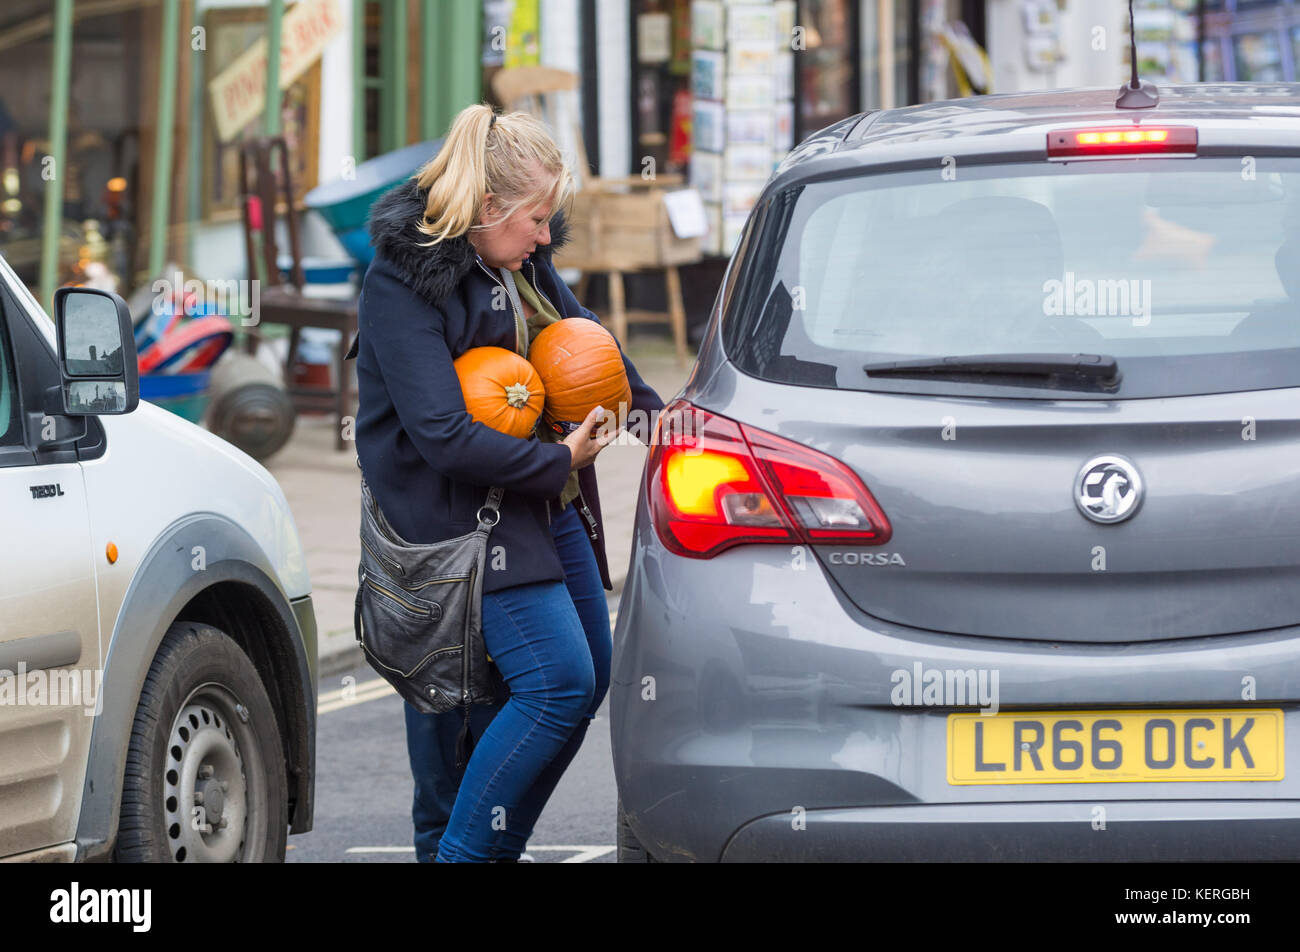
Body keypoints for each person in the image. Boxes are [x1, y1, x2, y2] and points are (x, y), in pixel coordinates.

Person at [346, 104, 664, 862]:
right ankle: (464, 856)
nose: (546, 237)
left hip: (534, 504)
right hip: (454, 529)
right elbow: (445, 437)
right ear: (488, 208)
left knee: (585, 683)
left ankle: (490, 850)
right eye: (536, 219)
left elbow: (588, 347)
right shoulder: (402, 284)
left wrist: (668, 423)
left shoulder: (518, 262)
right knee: (550, 685)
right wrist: (564, 462)